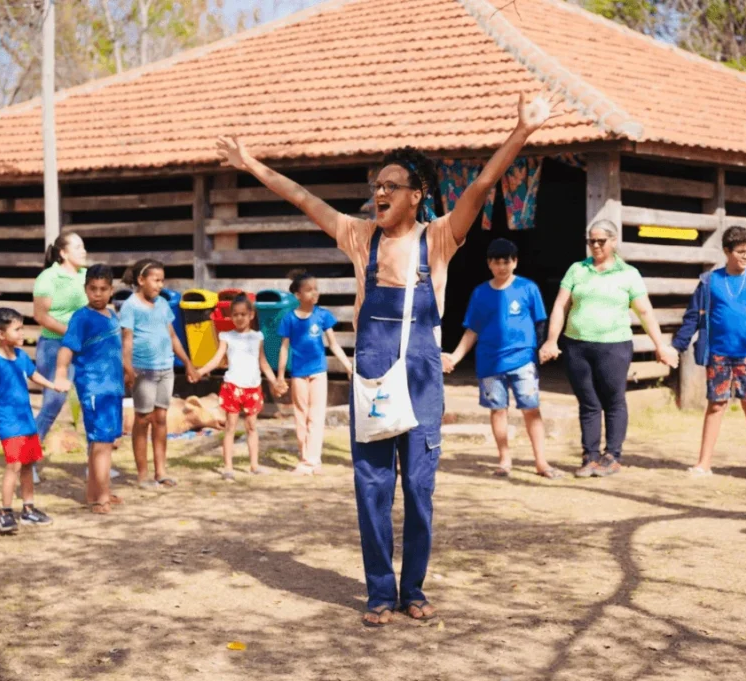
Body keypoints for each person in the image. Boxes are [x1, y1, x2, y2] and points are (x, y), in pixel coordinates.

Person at [217, 87, 565, 627]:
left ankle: (414, 588)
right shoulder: (359, 238)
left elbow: (483, 185)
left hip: (423, 369)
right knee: (372, 484)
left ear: (417, 195)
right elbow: (302, 198)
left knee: (419, 486)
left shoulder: (440, 237)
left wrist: (522, 131)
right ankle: (380, 592)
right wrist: (250, 163)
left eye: (390, 185)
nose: (378, 192)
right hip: (374, 371)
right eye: (375, 185)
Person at [540, 220, 678, 478]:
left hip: (613, 347)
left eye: (600, 241)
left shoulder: (628, 274)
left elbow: (644, 311)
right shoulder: (577, 270)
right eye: (591, 241)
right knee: (588, 402)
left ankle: (612, 455)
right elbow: (560, 306)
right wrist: (551, 340)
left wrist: (660, 345)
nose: (595, 246)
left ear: (614, 242)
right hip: (577, 345)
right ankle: (589, 456)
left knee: (613, 399)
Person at [672, 226, 746, 482]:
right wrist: (676, 346)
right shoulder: (709, 281)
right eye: (740, 252)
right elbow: (692, 317)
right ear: (727, 251)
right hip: (719, 355)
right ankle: (703, 464)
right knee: (716, 405)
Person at [442, 238, 562, 479]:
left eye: (506, 262)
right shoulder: (480, 293)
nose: (501, 267)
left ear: (515, 262)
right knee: (498, 410)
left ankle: (541, 462)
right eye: (496, 262)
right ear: (489, 264)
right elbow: (472, 330)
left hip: (523, 360)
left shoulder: (528, 288)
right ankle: (504, 461)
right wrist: (454, 357)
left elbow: (540, 321)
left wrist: (541, 349)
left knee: (531, 408)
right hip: (489, 362)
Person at [0, 308, 66, 535]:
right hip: (7, 422)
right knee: (14, 466)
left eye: (21, 328)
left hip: (26, 420)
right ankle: (5, 514)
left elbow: (33, 374)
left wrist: (52, 385)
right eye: (17, 329)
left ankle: (28, 510)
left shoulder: (21, 356)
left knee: (28, 465)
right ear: (1, 334)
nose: (21, 333)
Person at [120, 258, 198, 490]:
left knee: (161, 419)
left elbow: (173, 336)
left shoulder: (163, 305)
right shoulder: (130, 306)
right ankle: (142, 474)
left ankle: (160, 471)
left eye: (162, 281)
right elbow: (126, 340)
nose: (159, 285)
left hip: (166, 369)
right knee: (142, 420)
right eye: (156, 280)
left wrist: (187, 363)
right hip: (142, 370)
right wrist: (128, 368)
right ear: (141, 280)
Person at [53, 265, 124, 514]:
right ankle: (100, 498)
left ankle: (95, 492)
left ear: (111, 290)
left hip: (113, 389)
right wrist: (61, 373)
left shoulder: (113, 315)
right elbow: (66, 348)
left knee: (102, 443)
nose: (98, 294)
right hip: (95, 388)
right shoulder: (81, 318)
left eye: (103, 289)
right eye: (92, 289)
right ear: (85, 289)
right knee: (101, 443)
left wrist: (127, 371)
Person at [274, 270, 352, 475]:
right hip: (298, 373)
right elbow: (283, 348)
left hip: (319, 372)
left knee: (317, 416)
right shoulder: (289, 319)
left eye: (316, 289)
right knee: (301, 415)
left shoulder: (323, 315)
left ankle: (313, 461)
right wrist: (280, 376)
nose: (314, 293)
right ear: (298, 295)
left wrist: (348, 366)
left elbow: (333, 345)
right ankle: (305, 458)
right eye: (309, 290)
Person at [195, 294, 279, 481]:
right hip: (232, 386)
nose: (239, 318)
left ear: (251, 315)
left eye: (243, 314)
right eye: (235, 314)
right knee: (230, 426)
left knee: (252, 426)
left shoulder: (258, 337)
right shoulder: (226, 337)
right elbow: (217, 359)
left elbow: (263, 363)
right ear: (231, 317)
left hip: (253, 387)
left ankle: (254, 465)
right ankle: (228, 467)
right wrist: (200, 372)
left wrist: (274, 381)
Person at [32, 232, 88, 453]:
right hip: (55, 346)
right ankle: (28, 458)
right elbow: (40, 316)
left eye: (83, 246)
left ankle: (95, 466)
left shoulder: (86, 275)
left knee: (91, 403)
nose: (83, 251)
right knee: (53, 403)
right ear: (63, 253)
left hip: (86, 348)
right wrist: (72, 334)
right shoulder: (48, 278)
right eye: (77, 247)